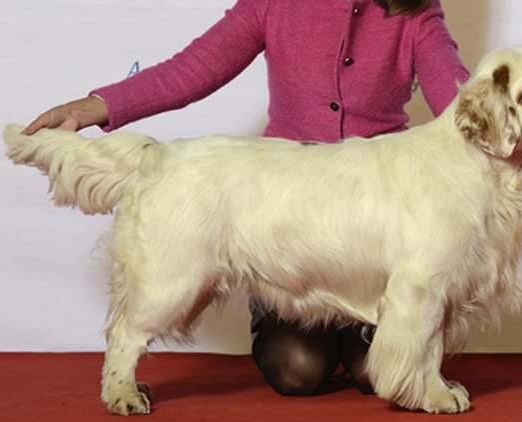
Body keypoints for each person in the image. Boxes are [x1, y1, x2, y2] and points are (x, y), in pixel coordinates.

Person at [23, 0, 470, 397]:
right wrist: (92, 107)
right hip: (281, 229)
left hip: (376, 238)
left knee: (380, 378)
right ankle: (121, 368)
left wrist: (517, 124)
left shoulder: (415, 10)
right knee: (298, 371)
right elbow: (193, 68)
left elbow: (458, 100)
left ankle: (363, 336)